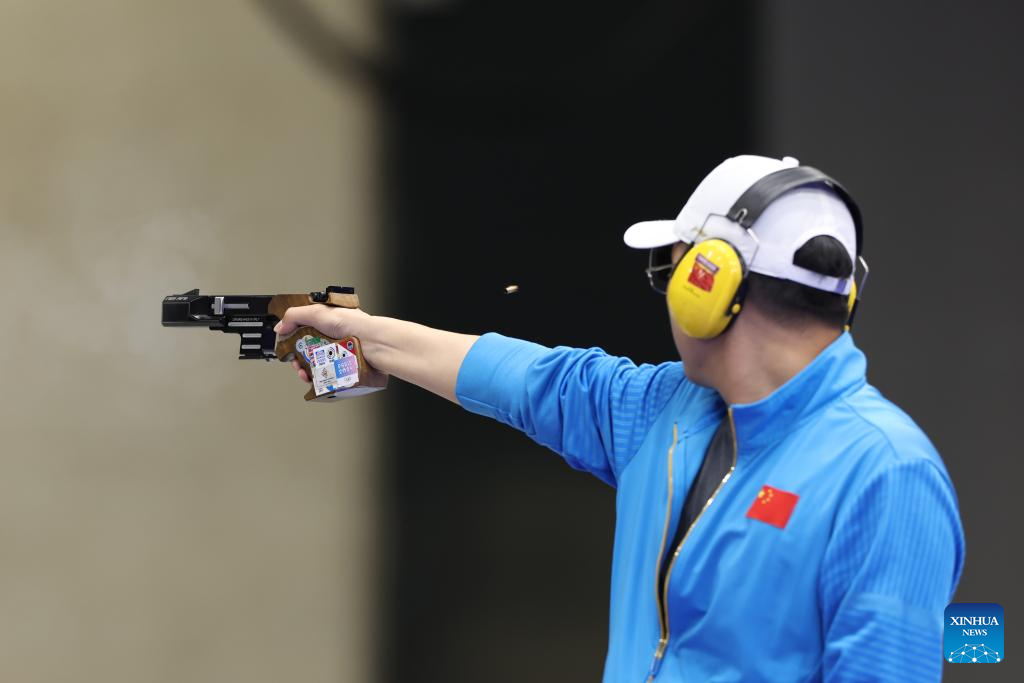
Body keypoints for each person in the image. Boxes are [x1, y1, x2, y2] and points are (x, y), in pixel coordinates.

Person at [275, 155, 965, 682]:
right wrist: (363, 336)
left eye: (671, 272)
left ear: (712, 286)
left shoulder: (887, 475)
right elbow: (531, 380)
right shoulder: (671, 412)